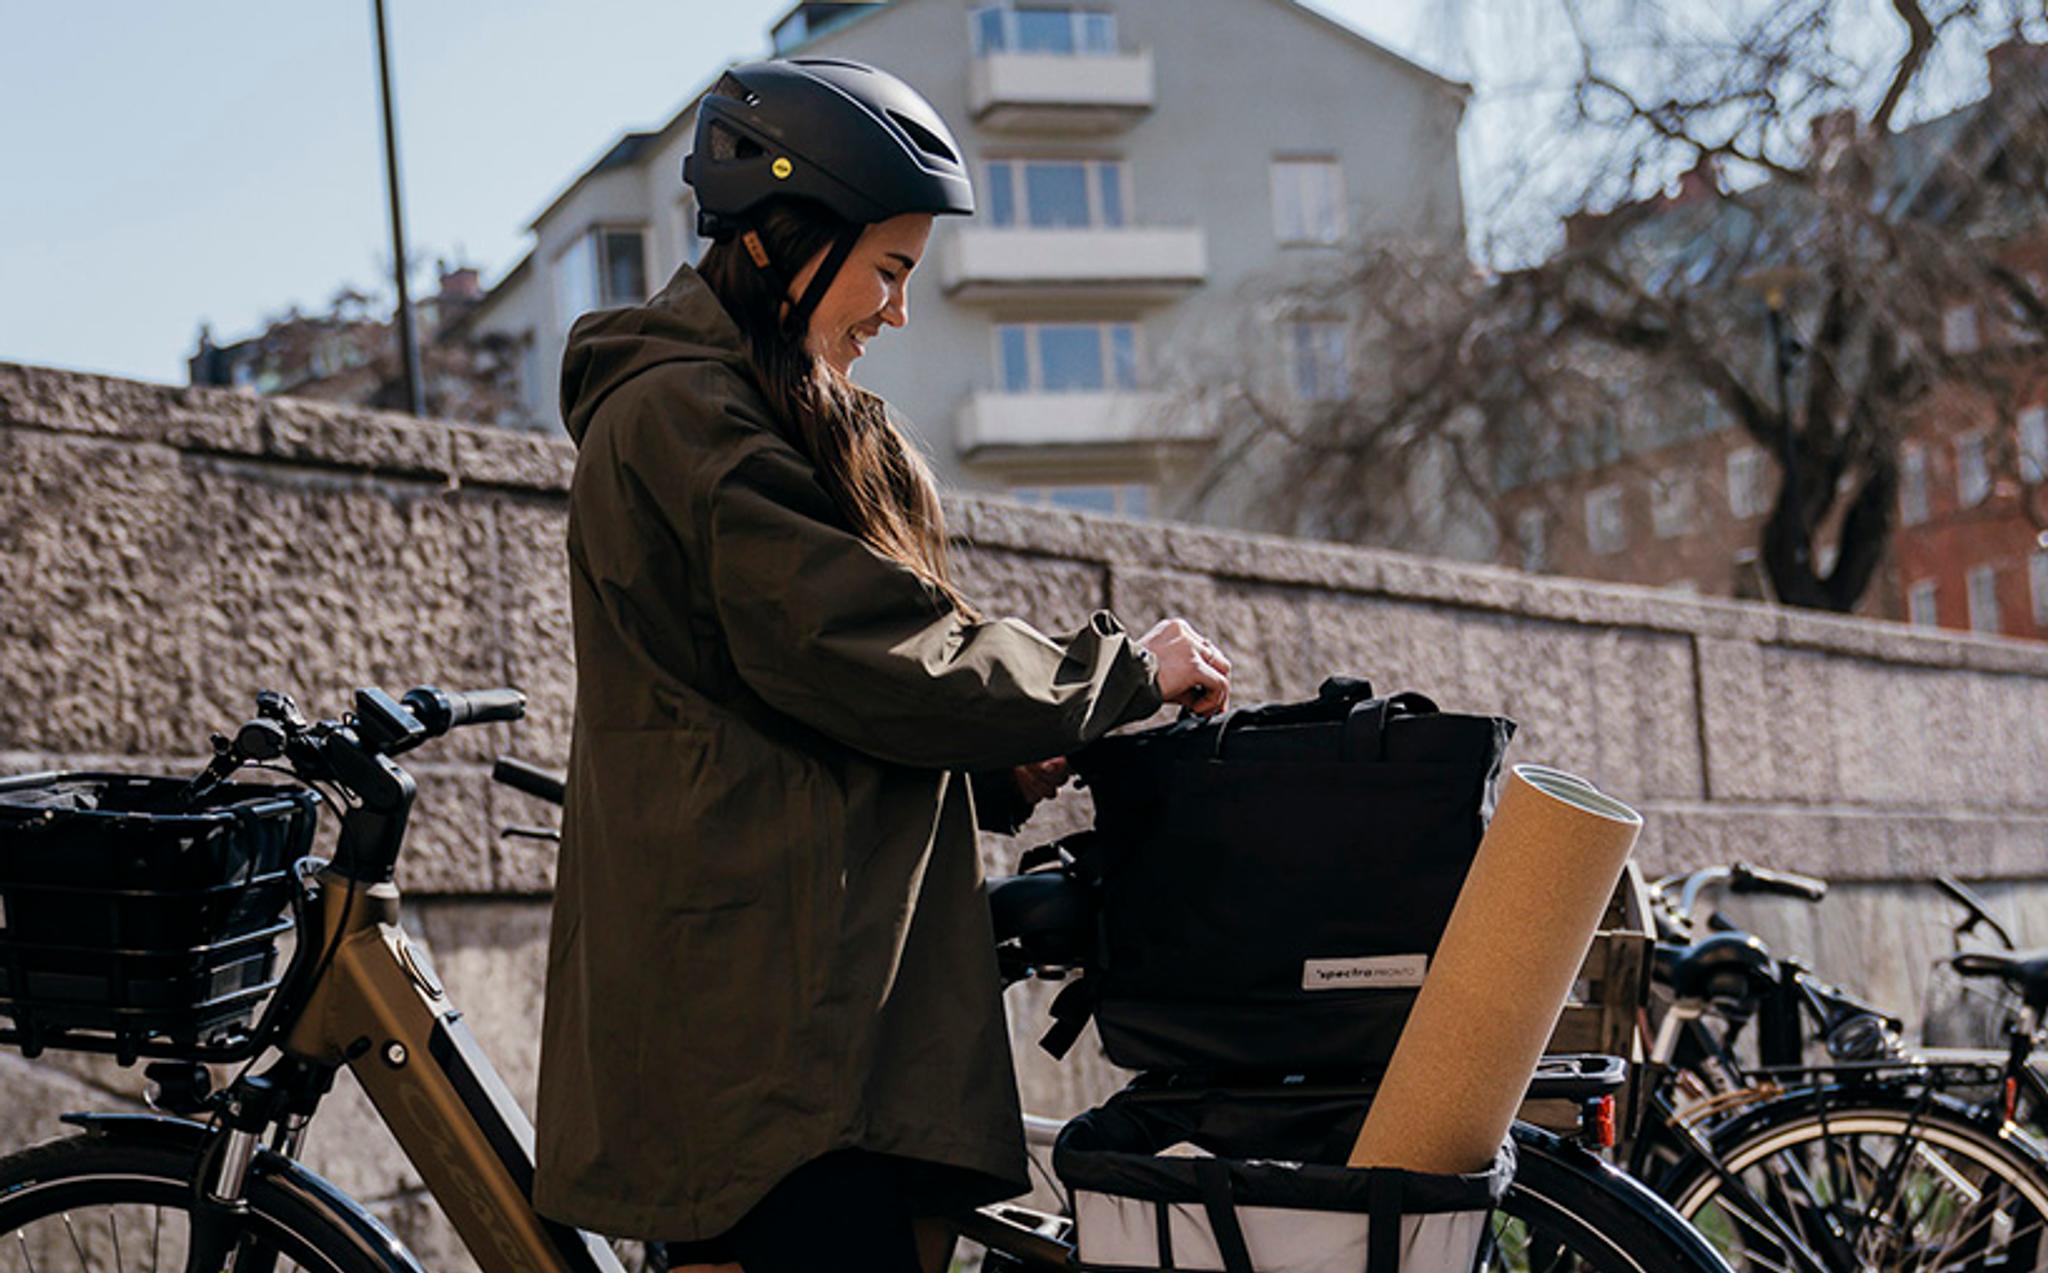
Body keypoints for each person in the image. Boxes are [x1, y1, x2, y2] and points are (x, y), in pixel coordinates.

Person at [531, 58, 1232, 1273]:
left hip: (805, 1002)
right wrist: (1114, 673)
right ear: (779, 241)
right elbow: (867, 650)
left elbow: (813, 711)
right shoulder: (686, 416)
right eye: (888, 269)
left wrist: (1011, 765)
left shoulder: (750, 404)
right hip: (767, 1025)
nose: (896, 312)